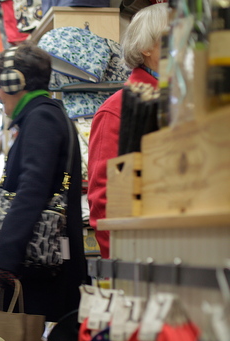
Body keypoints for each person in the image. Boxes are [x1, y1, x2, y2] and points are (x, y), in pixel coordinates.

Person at [0, 42, 87, 341]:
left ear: (18, 81)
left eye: (0, 83)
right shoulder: (43, 117)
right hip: (46, 261)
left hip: (36, 266)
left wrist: (5, 258)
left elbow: (32, 189)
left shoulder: (41, 120)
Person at [87, 3, 169, 258]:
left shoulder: (185, 103)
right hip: (141, 260)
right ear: (146, 48)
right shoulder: (117, 109)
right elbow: (104, 200)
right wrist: (122, 265)